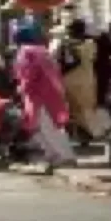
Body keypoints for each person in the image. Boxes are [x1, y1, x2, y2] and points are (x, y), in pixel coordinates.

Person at [13, 24, 75, 171]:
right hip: (51, 93)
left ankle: (63, 156)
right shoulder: (42, 50)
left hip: (37, 96)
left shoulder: (26, 52)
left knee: (43, 126)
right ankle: (55, 154)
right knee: (48, 126)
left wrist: (21, 88)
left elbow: (28, 74)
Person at [51, 19, 98, 143]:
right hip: (88, 79)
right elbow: (93, 58)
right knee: (86, 108)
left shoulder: (66, 44)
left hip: (69, 79)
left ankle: (73, 135)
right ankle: (86, 135)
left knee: (71, 109)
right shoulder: (91, 43)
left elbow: (58, 59)